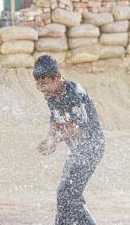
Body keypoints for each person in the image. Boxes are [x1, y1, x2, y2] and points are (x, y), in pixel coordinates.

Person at [34, 55, 105, 225]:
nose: (40, 88)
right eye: (38, 83)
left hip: (92, 148)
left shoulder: (74, 93)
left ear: (58, 77)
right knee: (65, 194)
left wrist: (55, 140)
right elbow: (54, 117)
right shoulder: (50, 93)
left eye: (44, 83)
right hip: (77, 150)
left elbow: (80, 128)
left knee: (69, 195)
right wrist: (50, 136)